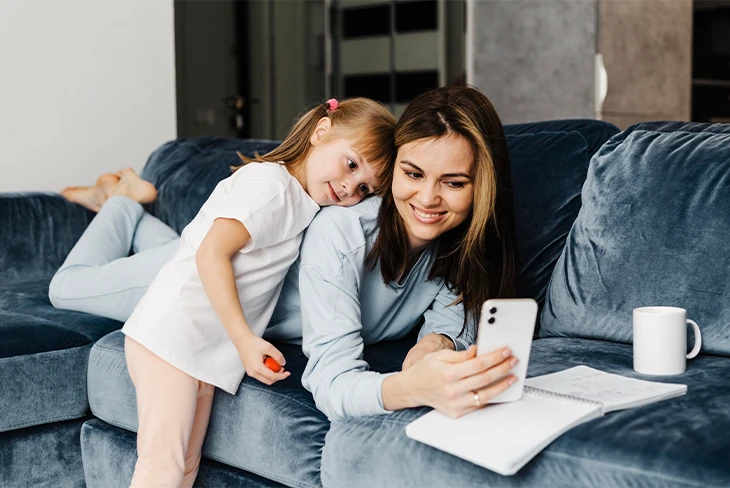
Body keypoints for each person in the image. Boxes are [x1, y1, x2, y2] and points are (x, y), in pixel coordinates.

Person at [50, 85, 518, 481]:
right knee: (67, 288)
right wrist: (410, 387)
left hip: (238, 257)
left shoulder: (455, 252)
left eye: (454, 183)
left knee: (201, 239)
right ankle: (123, 201)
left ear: (483, 187)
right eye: (413, 174)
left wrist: (437, 345)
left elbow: (452, 316)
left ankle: (146, 222)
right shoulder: (342, 232)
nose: (428, 198)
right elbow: (212, 255)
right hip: (200, 289)